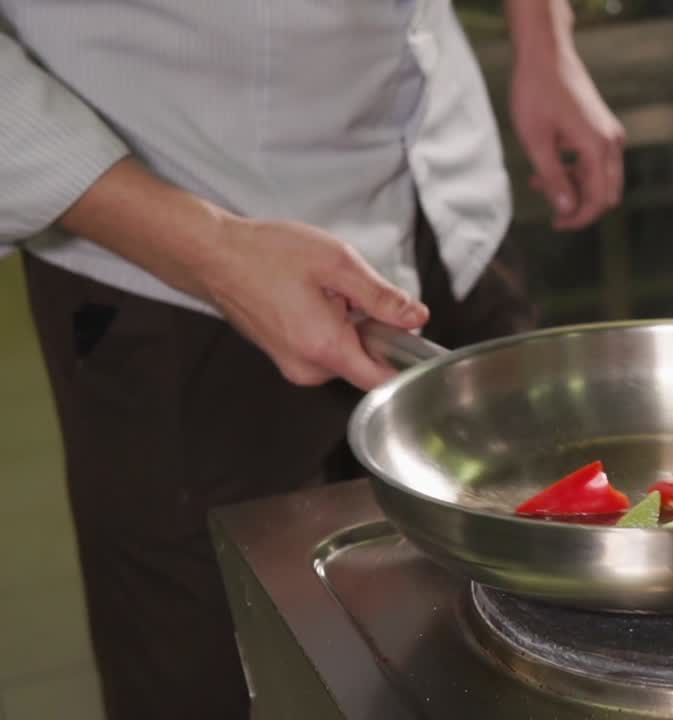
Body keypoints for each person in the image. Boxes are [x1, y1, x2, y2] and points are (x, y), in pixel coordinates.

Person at [0, 1, 624, 718]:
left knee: (520, 643)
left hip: (445, 195)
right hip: (170, 247)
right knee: (214, 674)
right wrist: (213, 253)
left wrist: (541, 35)